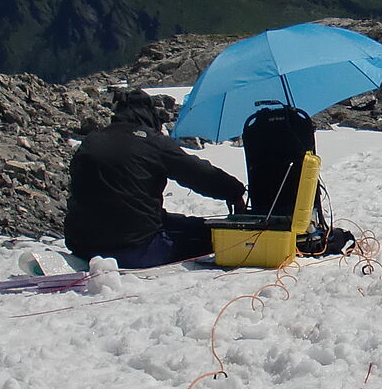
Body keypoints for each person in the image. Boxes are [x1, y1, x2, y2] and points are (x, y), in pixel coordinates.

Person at [63, 89, 245, 268]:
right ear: (149, 114)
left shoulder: (92, 140)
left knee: (172, 222)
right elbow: (197, 174)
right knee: (209, 234)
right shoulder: (151, 142)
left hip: (83, 247)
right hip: (135, 248)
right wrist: (234, 191)